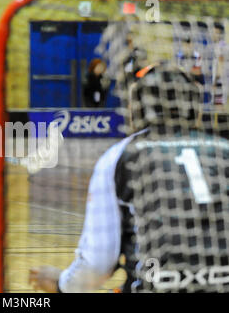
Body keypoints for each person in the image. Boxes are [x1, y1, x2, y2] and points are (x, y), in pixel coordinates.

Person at [29, 62, 229, 292]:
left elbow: (98, 263)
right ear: (193, 107)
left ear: (138, 108)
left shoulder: (119, 158)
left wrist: (61, 283)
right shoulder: (223, 150)